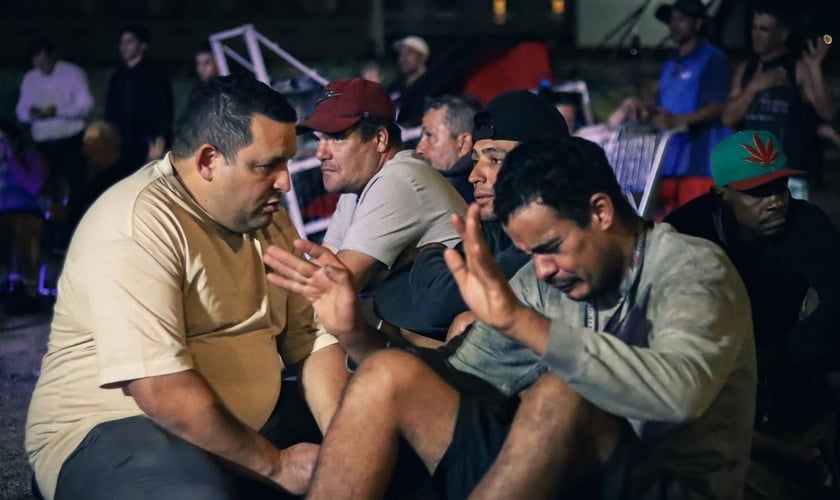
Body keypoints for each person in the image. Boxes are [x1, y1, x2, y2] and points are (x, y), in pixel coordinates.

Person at [264, 136, 756, 499]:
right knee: (391, 374)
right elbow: (457, 379)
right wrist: (354, 333)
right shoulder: (550, 278)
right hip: (572, 476)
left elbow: (681, 393)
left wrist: (521, 322)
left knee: (561, 395)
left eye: (551, 248)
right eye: (529, 254)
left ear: (601, 212)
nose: (541, 270)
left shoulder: (691, 270)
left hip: (672, 485)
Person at [25, 75, 348, 500]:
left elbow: (310, 341)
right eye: (267, 165)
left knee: (385, 434)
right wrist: (277, 465)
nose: (285, 182)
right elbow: (160, 390)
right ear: (208, 161)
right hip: (116, 428)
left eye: (287, 163)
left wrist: (349, 446)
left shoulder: (265, 217)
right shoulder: (139, 222)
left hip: (244, 424)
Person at [665, 129, 840, 489]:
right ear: (721, 194)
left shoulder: (806, 224)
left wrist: (775, 356)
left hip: (780, 351)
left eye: (780, 187)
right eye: (757, 192)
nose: (775, 200)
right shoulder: (685, 230)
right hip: (709, 357)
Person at [374, 90, 568, 340]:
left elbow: (437, 306)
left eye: (495, 160)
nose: (474, 176)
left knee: (462, 328)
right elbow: (393, 294)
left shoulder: (548, 234)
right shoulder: (499, 228)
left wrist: (430, 251)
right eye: (476, 160)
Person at [296, 77, 466, 295]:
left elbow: (332, 290)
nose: (320, 153)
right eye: (318, 140)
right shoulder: (356, 186)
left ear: (380, 139)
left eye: (336, 138)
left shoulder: (398, 179)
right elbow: (326, 265)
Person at [613, 0, 731, 216]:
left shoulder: (713, 58)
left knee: (697, 226)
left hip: (699, 161)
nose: (675, 24)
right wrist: (643, 112)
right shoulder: (670, 62)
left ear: (697, 24)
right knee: (667, 225)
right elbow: (661, 106)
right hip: (667, 161)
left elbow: (719, 107)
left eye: (682, 19)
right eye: (672, 19)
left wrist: (677, 120)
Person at [721, 2, 835, 200]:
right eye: (754, 27)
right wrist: (754, 87)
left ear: (782, 34)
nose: (756, 34)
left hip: (787, 178)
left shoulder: (798, 69)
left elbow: (828, 112)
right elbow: (727, 119)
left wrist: (815, 68)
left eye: (764, 29)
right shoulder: (747, 70)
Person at [15, 38, 93, 207]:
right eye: (37, 63)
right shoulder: (30, 78)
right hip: (43, 145)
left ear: (53, 55)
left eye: (44, 61)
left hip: (70, 141)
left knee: (76, 187)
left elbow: (86, 106)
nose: (41, 67)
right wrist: (34, 113)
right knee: (45, 188)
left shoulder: (73, 73)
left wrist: (58, 111)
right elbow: (21, 113)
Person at [105, 24, 174, 171]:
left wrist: (160, 140)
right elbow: (110, 110)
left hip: (147, 143)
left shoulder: (156, 74)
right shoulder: (117, 76)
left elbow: (164, 109)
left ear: (142, 46)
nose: (124, 46)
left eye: (129, 42)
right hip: (120, 144)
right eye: (122, 42)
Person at [0, 119, 48, 310]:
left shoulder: (30, 159)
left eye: (2, 140)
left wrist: (13, 162)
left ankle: (29, 288)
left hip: (28, 212)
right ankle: (6, 284)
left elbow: (35, 186)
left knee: (25, 229)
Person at [415, 94, 482, 202]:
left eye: (430, 135)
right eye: (421, 137)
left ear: (463, 143)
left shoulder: (453, 196)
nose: (419, 148)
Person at [387, 36, 429, 103]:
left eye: (409, 53)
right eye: (401, 54)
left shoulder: (432, 85)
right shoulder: (394, 87)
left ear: (422, 57)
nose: (403, 58)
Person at [188, 41, 220, 106]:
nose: (201, 68)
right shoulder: (197, 91)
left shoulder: (226, 88)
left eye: (207, 63)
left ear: (218, 62)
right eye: (198, 63)